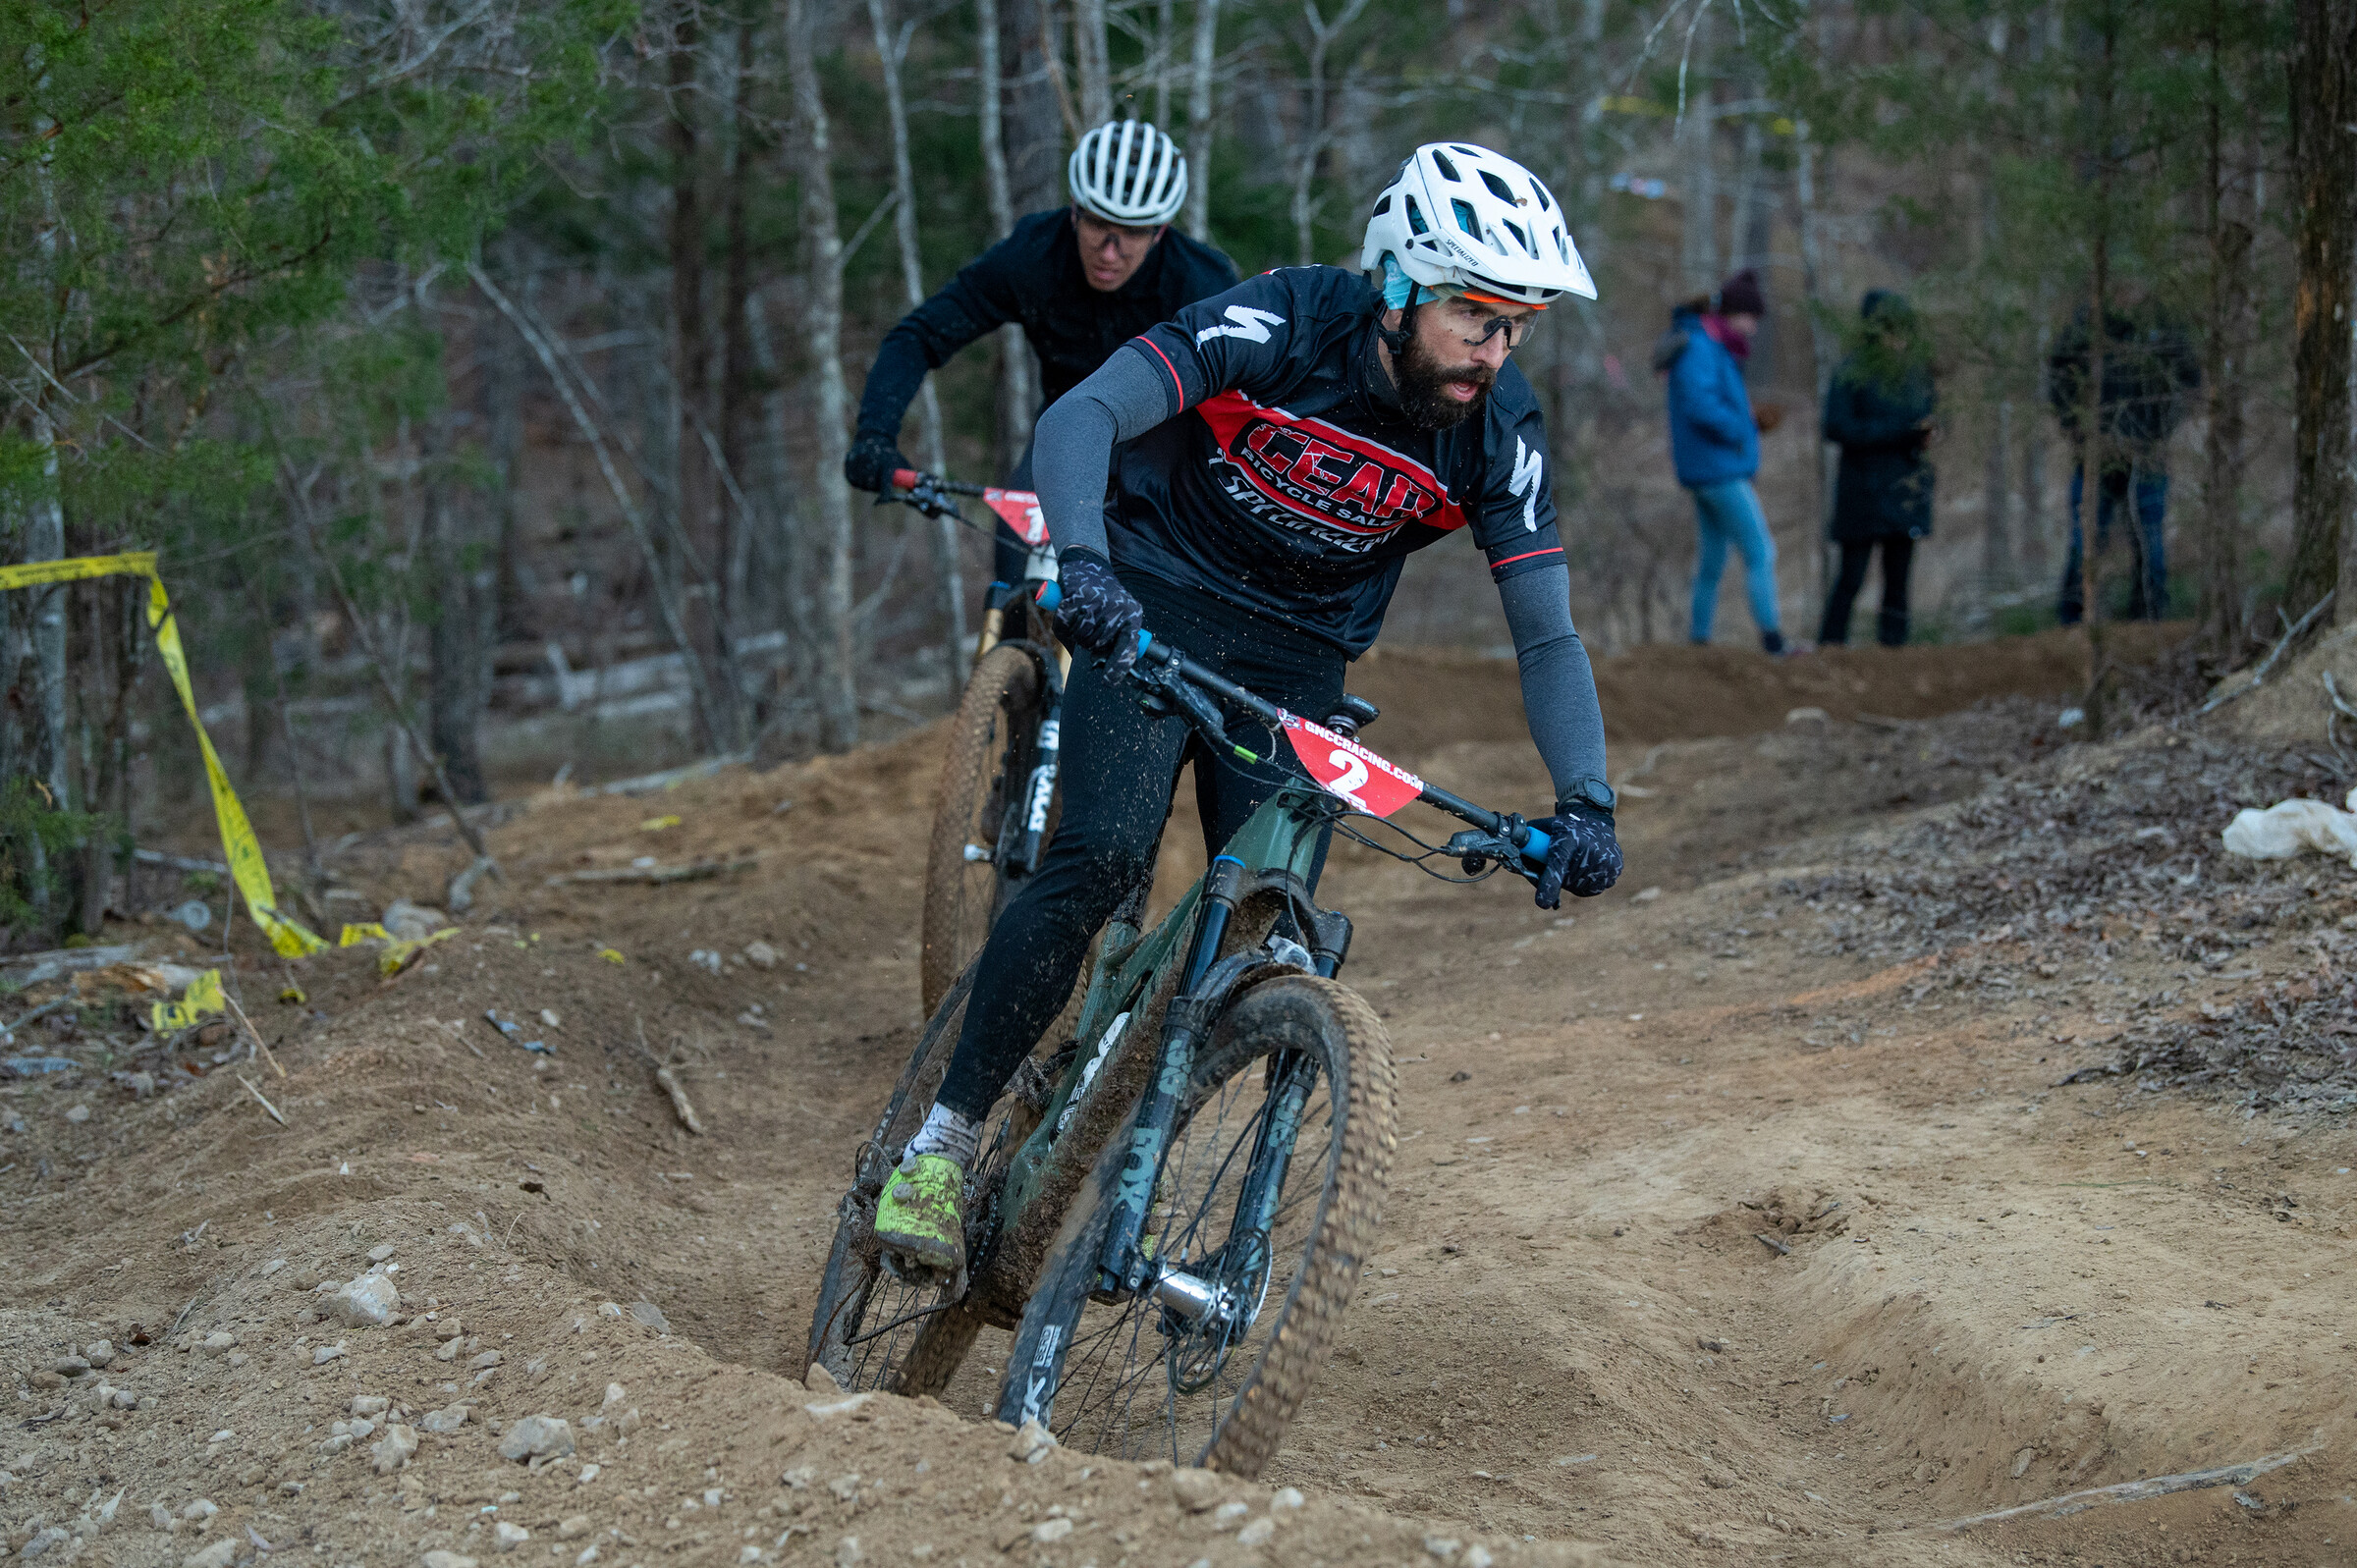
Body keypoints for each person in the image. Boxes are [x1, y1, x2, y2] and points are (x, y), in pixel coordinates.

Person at [872, 141, 1625, 1277]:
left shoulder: (1497, 432)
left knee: (1265, 935)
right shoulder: (1284, 321)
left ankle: (1125, 1185)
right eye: (1476, 315)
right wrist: (1084, 564)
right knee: (1104, 858)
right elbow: (1081, 419)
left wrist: (1587, 801)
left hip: (1299, 666)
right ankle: (941, 1140)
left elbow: (1549, 633)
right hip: (1154, 601)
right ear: (1401, 286)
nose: (1496, 347)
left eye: (1516, 323)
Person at [844, 120, 1239, 597]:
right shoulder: (1035, 255)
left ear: (1160, 232)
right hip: (1066, 437)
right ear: (1074, 211)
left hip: (1166, 451)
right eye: (1096, 224)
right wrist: (875, 435)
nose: (1109, 252)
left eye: (1131, 233)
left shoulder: (1201, 284)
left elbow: (1249, 397)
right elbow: (920, 335)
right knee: (1012, 580)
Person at [1656, 268, 1793, 654]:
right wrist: (1740, 427)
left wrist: (1745, 420)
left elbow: (1708, 401)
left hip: (1708, 468)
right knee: (1761, 550)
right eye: (1751, 318)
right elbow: (1699, 405)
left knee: (1713, 557)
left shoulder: (1710, 346)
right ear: (1732, 313)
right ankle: (1773, 641)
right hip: (1718, 469)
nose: (1752, 327)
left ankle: (1699, 641)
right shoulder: (1701, 347)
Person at [2047, 300, 2200, 623]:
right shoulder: (2086, 320)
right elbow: (2058, 374)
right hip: (2095, 457)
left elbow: (2190, 378)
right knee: (2085, 541)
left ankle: (2150, 622)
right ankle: (2071, 624)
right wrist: (2077, 429)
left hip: (2147, 454)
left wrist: (2160, 429)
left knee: (2150, 543)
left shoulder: (2160, 323)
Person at [1817, 290, 1937, 648]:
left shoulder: (1916, 372)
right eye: (1890, 329)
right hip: (1863, 491)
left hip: (1906, 486)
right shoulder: (1852, 370)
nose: (1897, 338)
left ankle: (1894, 651)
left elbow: (1933, 413)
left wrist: (1931, 431)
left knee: (1898, 579)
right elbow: (1836, 427)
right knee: (1851, 576)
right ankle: (1831, 647)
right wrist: (1898, 432)